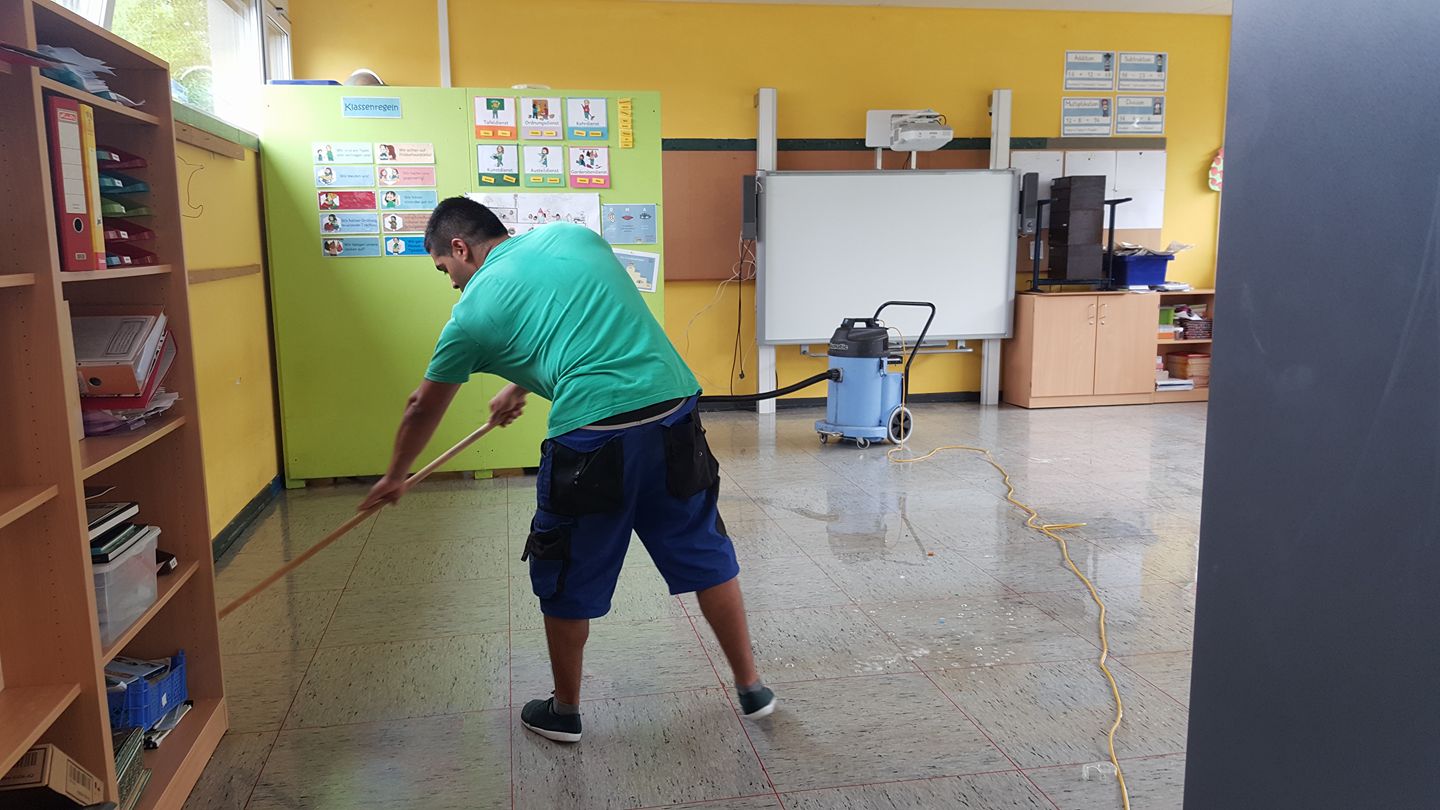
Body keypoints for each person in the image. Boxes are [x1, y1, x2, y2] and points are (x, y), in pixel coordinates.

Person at [359, 197, 774, 743]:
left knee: (566, 573)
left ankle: (565, 711)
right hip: (673, 410)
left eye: (445, 269)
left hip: (593, 437)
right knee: (704, 550)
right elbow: (580, 320)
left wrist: (395, 475)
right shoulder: (573, 238)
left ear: (459, 248)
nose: (452, 284)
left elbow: (421, 406)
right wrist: (520, 383)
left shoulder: (471, 315)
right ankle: (752, 688)